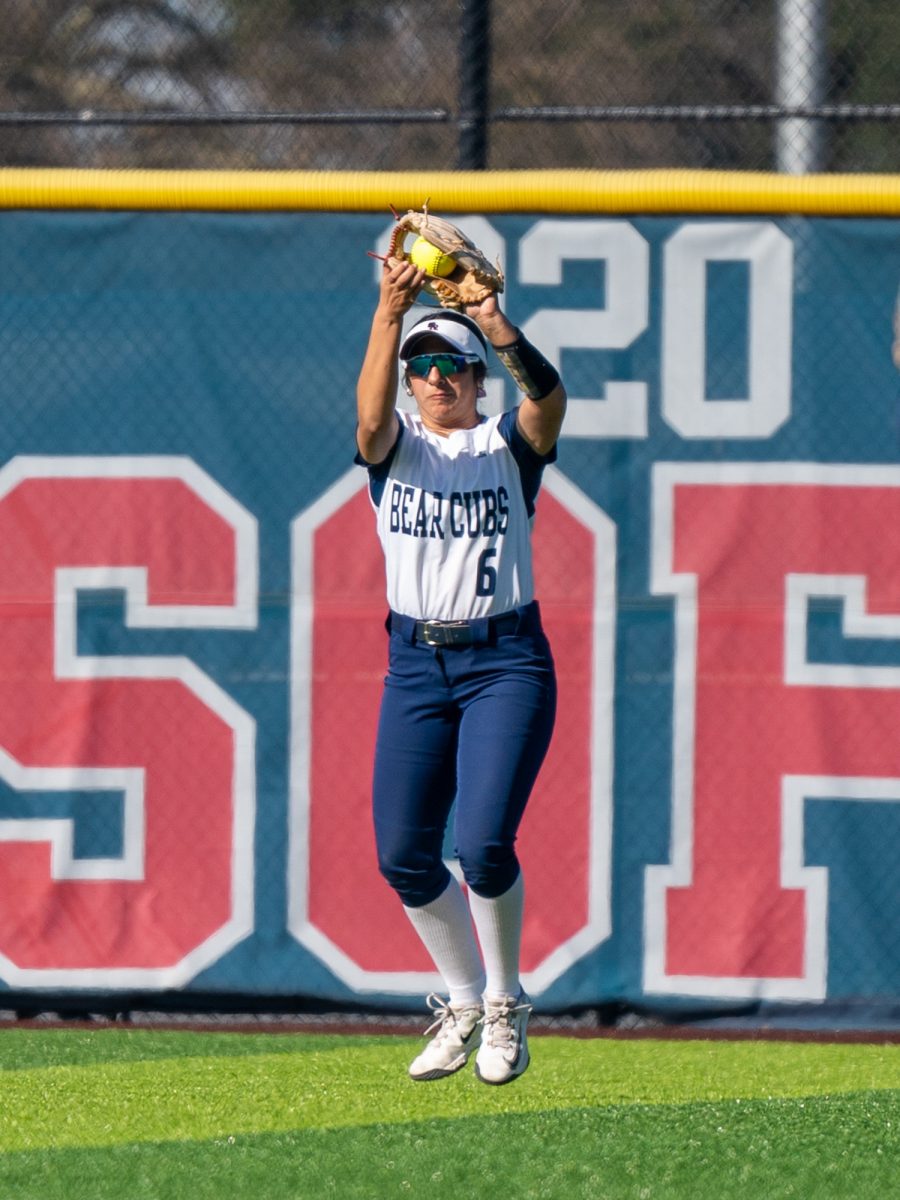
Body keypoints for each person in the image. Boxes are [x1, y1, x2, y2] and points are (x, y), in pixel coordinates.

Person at [355, 254, 567, 1086]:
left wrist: (490, 321)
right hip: (414, 664)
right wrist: (389, 313)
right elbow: (367, 421)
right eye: (423, 366)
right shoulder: (394, 447)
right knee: (405, 855)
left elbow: (546, 400)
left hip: (505, 660)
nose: (436, 376)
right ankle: (462, 999)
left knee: (481, 844)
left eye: (451, 365)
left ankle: (507, 1003)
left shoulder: (505, 445)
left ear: (477, 379)